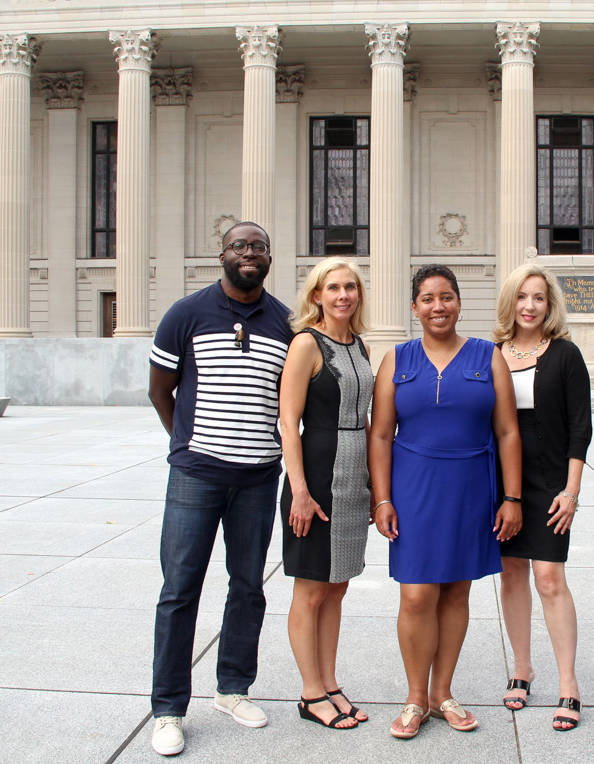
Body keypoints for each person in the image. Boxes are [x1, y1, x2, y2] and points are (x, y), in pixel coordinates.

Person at [147, 221, 292, 756]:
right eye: (239, 245)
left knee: (248, 586)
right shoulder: (186, 315)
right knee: (179, 590)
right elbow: (160, 391)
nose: (249, 253)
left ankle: (233, 689)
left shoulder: (286, 322)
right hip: (196, 476)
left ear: (269, 258)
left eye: (258, 246)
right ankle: (167, 709)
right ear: (223, 254)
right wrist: (190, 444)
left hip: (258, 477)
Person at [370, 264, 523, 740]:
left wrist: (511, 497)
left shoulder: (487, 356)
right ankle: (415, 697)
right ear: (414, 307)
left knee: (457, 590)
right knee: (417, 593)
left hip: (471, 486)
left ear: (459, 302)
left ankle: (443, 694)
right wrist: (382, 498)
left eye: (447, 297)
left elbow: (508, 431)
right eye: (428, 299)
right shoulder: (397, 360)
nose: (439, 306)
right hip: (414, 487)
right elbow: (379, 434)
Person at [494, 264, 592, 732]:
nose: (529, 306)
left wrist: (572, 490)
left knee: (549, 578)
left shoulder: (566, 355)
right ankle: (521, 668)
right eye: (522, 297)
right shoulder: (491, 354)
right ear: (510, 302)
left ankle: (568, 683)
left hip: (552, 480)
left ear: (549, 305)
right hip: (503, 483)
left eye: (538, 298)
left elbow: (580, 427)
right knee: (512, 572)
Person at [278, 258, 374, 730]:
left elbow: (370, 420)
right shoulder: (305, 344)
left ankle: (331, 682)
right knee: (311, 588)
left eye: (350, 286)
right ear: (316, 295)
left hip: (353, 481)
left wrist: (375, 487)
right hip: (315, 479)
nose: (342, 295)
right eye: (332, 287)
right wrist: (298, 490)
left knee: (338, 587)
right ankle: (310, 692)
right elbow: (287, 422)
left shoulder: (360, 344)